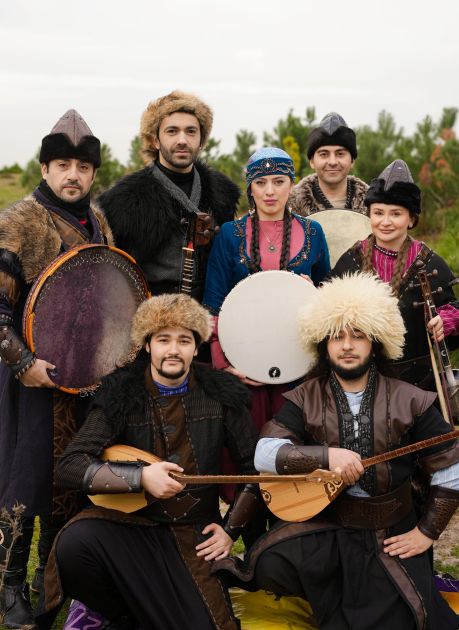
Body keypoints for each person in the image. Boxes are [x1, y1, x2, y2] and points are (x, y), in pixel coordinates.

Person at [215, 273, 459, 630]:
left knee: (401, 617)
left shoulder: (411, 399)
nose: (347, 345)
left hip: (390, 530)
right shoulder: (305, 396)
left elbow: (451, 468)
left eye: (358, 335)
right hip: (330, 524)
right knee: (269, 564)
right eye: (337, 336)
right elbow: (265, 454)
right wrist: (327, 457)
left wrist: (426, 532)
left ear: (376, 342)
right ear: (323, 344)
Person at [38, 294, 261, 630]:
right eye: (163, 340)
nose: (173, 350)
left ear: (196, 348)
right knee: (74, 544)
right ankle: (120, 614)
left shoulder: (221, 394)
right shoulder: (121, 393)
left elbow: (254, 468)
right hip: (132, 530)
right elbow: (69, 466)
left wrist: (230, 531)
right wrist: (140, 477)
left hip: (195, 536)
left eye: (184, 340)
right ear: (147, 345)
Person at [0, 110, 113, 628]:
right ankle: (10, 586)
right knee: (24, 481)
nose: (73, 175)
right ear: (45, 169)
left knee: (68, 483)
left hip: (83, 379)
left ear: (93, 173)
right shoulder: (19, 221)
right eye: (63, 165)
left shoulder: (99, 221)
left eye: (82, 167)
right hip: (30, 378)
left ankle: (50, 583)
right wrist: (22, 363)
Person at [203, 147, 330, 430]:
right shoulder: (229, 234)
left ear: (291, 184)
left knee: (295, 437)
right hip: (243, 360)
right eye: (260, 183)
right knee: (248, 439)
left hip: (300, 361)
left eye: (278, 181)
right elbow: (213, 303)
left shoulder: (313, 232)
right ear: (250, 187)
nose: (269, 191)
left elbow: (329, 295)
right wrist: (225, 364)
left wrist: (314, 294)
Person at [97, 90, 240, 301]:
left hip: (210, 310)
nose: (182, 140)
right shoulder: (122, 202)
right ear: (156, 140)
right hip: (150, 313)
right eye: (172, 131)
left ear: (201, 140)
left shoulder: (223, 194)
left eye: (191, 131)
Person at [332, 159, 459, 387]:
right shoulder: (351, 259)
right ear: (369, 215)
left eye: (396, 214)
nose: (385, 222)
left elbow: (452, 309)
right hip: (360, 381)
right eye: (378, 213)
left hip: (419, 382)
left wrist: (446, 321)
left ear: (411, 219)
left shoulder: (430, 263)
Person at [289, 112, 368, 216]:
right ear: (312, 161)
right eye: (324, 154)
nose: (332, 162)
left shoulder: (374, 207)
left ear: (352, 161)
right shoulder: (289, 209)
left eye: (340, 154)